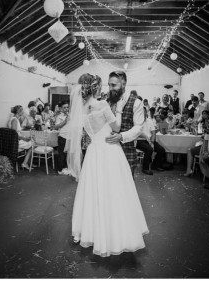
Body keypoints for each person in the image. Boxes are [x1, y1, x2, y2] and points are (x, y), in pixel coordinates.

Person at [70, 72, 148, 257]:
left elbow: (139, 127)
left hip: (122, 152)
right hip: (107, 152)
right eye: (108, 84)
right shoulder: (104, 101)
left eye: (113, 85)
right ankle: (106, 234)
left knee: (120, 193)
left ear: (124, 83)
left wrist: (122, 136)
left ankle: (118, 230)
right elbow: (111, 124)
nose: (109, 88)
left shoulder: (136, 103)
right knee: (102, 192)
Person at [137, 107, 167, 175]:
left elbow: (153, 132)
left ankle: (155, 165)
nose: (143, 113)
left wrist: (152, 141)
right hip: (139, 140)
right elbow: (136, 133)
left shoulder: (149, 121)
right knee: (149, 149)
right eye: (141, 112)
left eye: (144, 112)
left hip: (150, 140)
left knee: (161, 150)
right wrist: (149, 141)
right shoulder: (137, 121)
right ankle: (145, 168)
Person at [8, 105, 34, 170]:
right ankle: (25, 163)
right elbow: (14, 134)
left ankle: (27, 162)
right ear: (18, 112)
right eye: (22, 110)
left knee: (32, 140)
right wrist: (24, 138)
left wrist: (24, 137)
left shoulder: (15, 119)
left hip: (17, 140)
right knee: (33, 144)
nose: (23, 112)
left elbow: (17, 133)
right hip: (15, 143)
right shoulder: (14, 120)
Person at [54, 102, 70, 173]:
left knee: (67, 154)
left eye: (67, 107)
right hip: (62, 136)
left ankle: (65, 168)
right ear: (60, 108)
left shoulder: (70, 115)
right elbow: (56, 127)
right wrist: (65, 121)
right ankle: (60, 170)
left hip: (69, 137)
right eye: (64, 107)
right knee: (61, 154)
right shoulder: (59, 116)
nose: (66, 109)